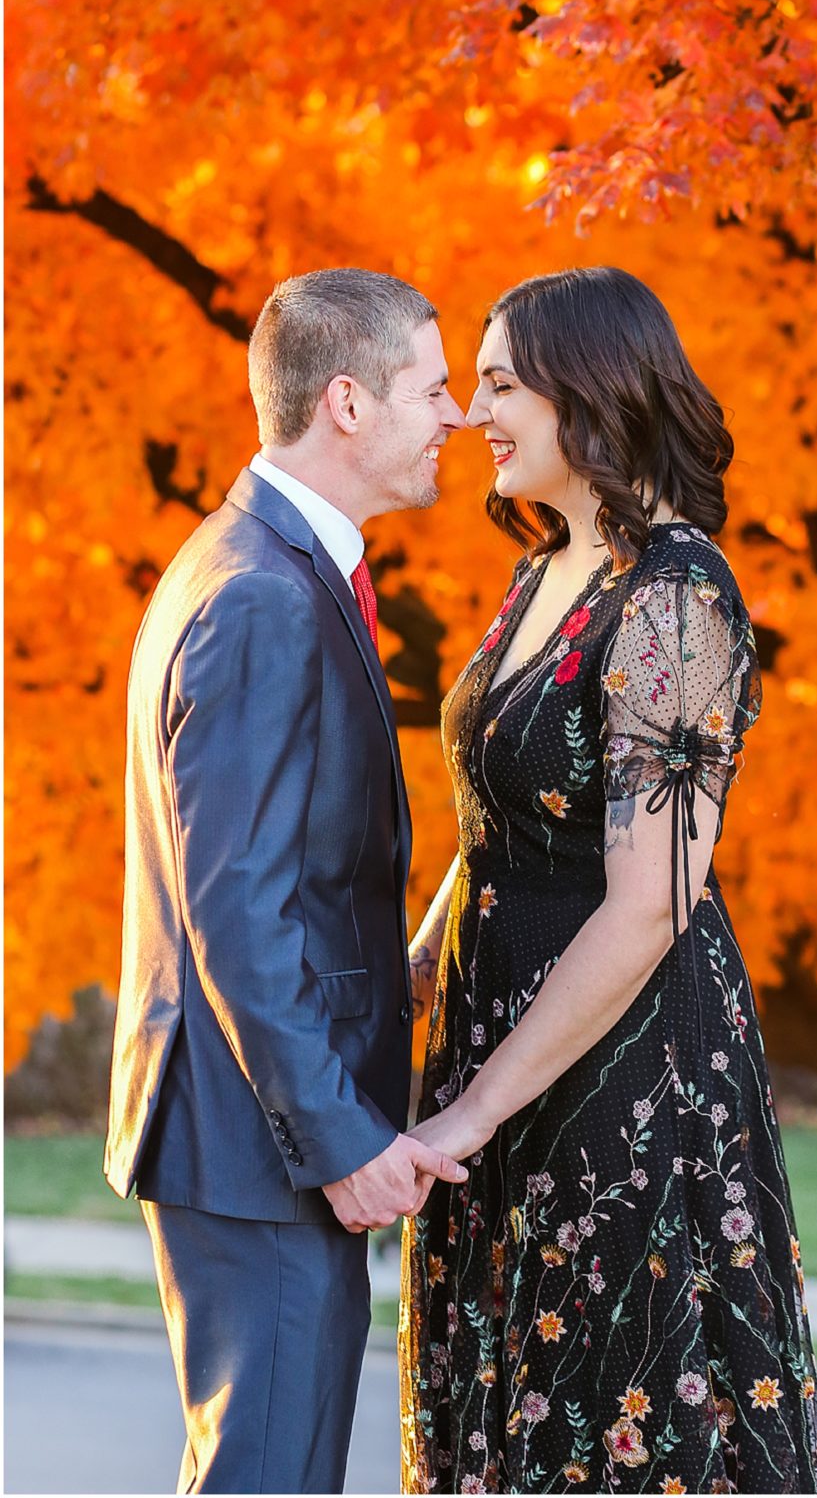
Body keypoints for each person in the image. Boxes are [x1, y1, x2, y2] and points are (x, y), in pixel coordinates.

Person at [400, 268, 817, 1495]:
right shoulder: (546, 570)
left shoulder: (678, 596)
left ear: (585, 388)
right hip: (499, 1051)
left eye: (497, 382)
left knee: (614, 1429)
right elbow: (501, 822)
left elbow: (651, 898)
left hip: (619, 1075)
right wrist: (417, 970)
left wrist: (473, 1113)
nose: (472, 409)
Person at [104, 267, 469, 1495]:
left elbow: (290, 880)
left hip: (249, 1130)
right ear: (351, 403)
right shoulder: (261, 594)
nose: (457, 415)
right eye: (434, 388)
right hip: (261, 1145)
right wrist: (338, 1139)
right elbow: (237, 914)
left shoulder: (255, 563)